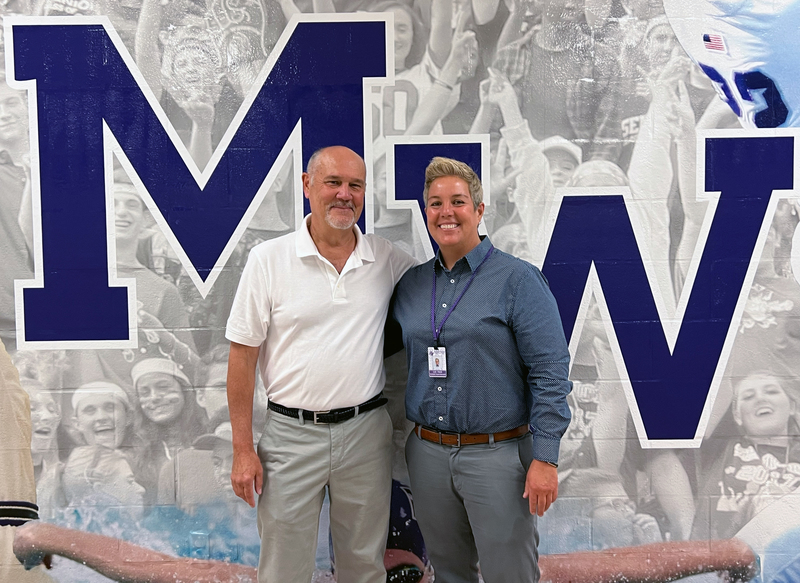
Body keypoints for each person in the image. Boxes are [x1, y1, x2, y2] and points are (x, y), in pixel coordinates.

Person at [225, 145, 416, 582]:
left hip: (367, 435)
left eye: (355, 185)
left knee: (363, 567)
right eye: (333, 183)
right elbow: (242, 356)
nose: (344, 195)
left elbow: (443, 287)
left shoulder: (386, 259)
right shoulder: (268, 260)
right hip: (290, 437)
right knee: (283, 570)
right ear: (308, 186)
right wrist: (242, 449)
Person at [390, 157, 572, 582]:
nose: (445, 212)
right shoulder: (412, 285)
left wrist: (545, 458)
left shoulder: (518, 280)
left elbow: (549, 372)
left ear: (479, 209)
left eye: (457, 201)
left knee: (509, 574)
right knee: (450, 573)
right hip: (428, 454)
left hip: (498, 456)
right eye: (435, 203)